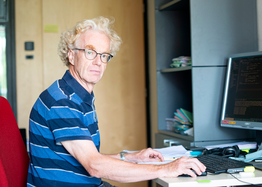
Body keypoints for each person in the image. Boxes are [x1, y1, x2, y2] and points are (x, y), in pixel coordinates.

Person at [27, 16, 206, 187]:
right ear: (71, 56)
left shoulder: (75, 95)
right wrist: (167, 168)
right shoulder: (62, 101)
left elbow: (86, 157)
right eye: (90, 52)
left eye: (104, 55)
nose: (98, 62)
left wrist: (132, 157)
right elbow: (94, 165)